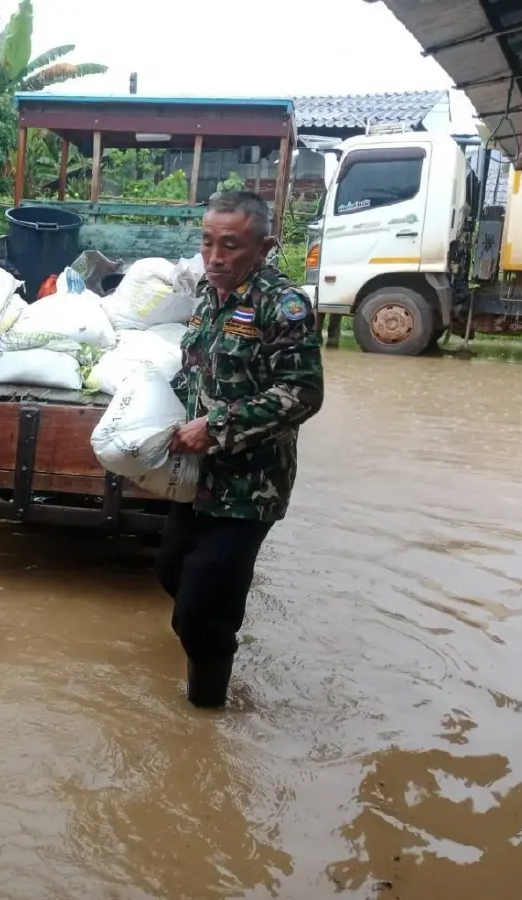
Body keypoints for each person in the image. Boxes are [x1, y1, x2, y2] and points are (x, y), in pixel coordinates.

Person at [160, 190, 324, 709]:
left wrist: (216, 427)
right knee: (171, 571)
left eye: (229, 245)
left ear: (264, 247)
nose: (214, 257)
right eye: (207, 242)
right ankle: (210, 631)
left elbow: (303, 393)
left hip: (249, 487)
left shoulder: (283, 305)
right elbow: (194, 373)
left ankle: (208, 710)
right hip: (195, 478)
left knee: (201, 612)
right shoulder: (208, 295)